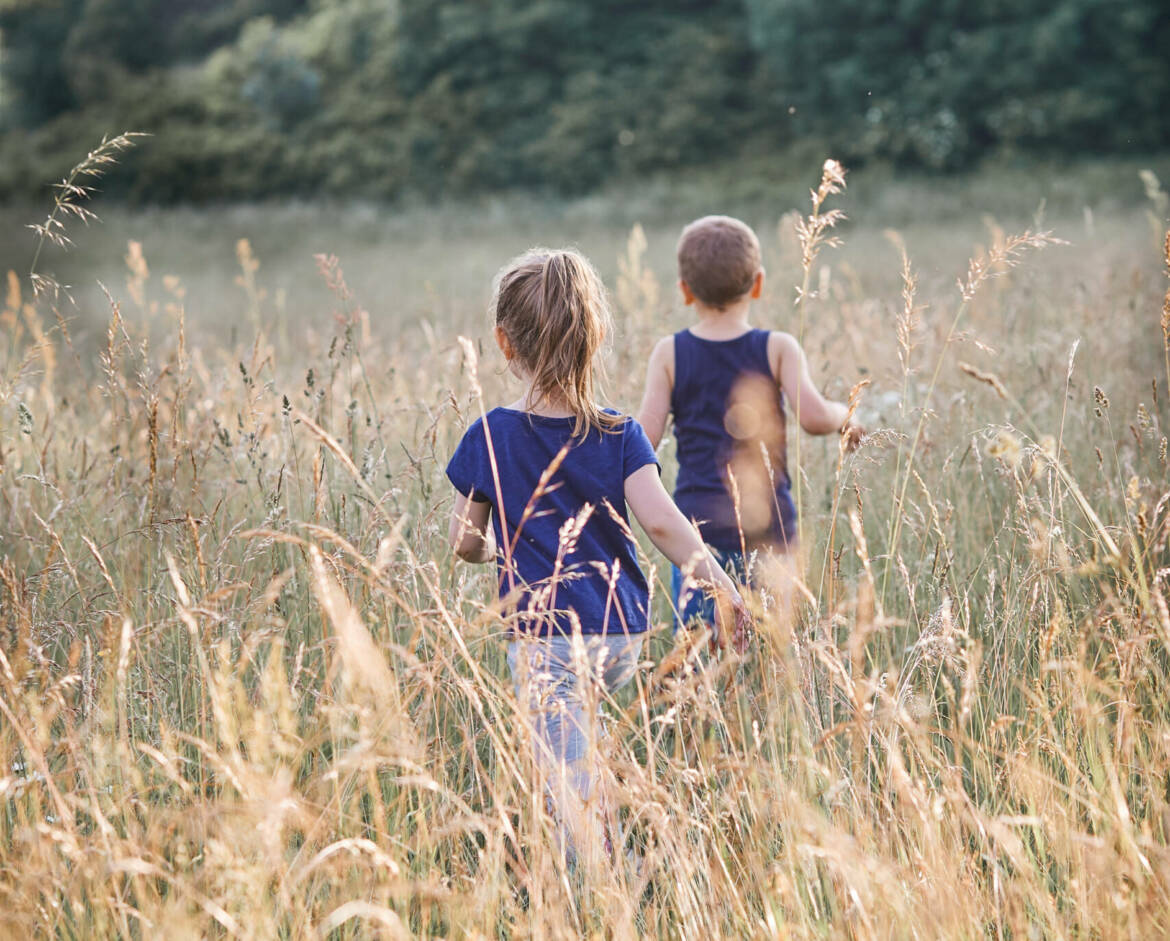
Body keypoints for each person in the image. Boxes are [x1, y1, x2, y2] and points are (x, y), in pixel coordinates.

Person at [445, 247, 744, 867]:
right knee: (582, 750)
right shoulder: (620, 433)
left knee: (565, 781)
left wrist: (498, 545)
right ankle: (614, 855)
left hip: (544, 634)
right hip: (619, 632)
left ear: (504, 343)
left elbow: (464, 542)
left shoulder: (489, 436)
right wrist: (723, 588)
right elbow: (662, 521)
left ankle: (601, 886)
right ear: (596, 336)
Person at [636, 215, 862, 631]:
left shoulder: (669, 354)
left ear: (686, 292)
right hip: (771, 529)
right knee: (775, 658)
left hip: (697, 536)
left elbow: (642, 440)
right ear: (758, 284)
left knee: (701, 659)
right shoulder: (777, 348)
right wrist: (847, 416)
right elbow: (813, 417)